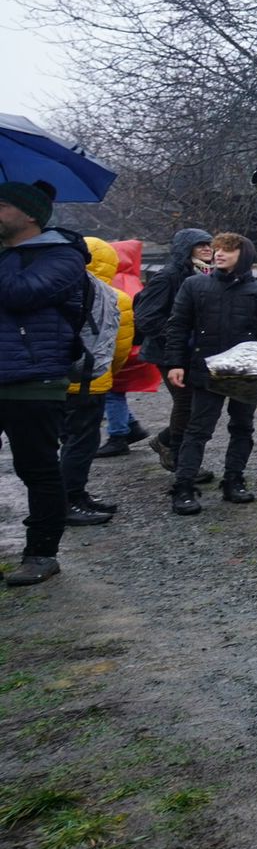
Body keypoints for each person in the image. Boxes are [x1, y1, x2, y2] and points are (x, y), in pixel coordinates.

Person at [0, 180, 90, 585]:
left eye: (1, 205)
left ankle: (41, 553)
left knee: (36, 468)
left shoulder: (63, 256)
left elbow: (22, 293)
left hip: (33, 379)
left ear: (30, 213)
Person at [161, 232, 257, 513]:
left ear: (244, 254)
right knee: (198, 429)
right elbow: (178, 326)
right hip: (206, 369)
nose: (219, 253)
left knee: (242, 428)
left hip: (245, 374)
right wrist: (176, 363)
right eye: (217, 249)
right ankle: (184, 486)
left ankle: (234, 480)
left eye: (228, 249)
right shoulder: (194, 285)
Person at [59, 238, 137, 527]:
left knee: (66, 441)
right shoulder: (116, 297)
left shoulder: (59, 291)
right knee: (82, 444)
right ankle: (70, 500)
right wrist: (107, 373)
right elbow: (119, 349)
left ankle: (75, 495)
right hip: (91, 382)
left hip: (56, 380)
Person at [134, 229, 215, 480]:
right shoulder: (168, 276)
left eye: (208, 244)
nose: (206, 249)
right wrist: (177, 338)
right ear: (185, 248)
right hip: (168, 352)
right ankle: (179, 458)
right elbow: (146, 317)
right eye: (199, 245)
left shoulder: (208, 274)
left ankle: (166, 441)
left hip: (195, 352)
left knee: (197, 406)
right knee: (187, 403)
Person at [94, 239, 157, 458]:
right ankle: (130, 426)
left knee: (112, 391)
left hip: (121, 347)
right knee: (114, 391)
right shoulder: (131, 280)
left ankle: (118, 435)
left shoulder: (110, 281)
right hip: (134, 346)